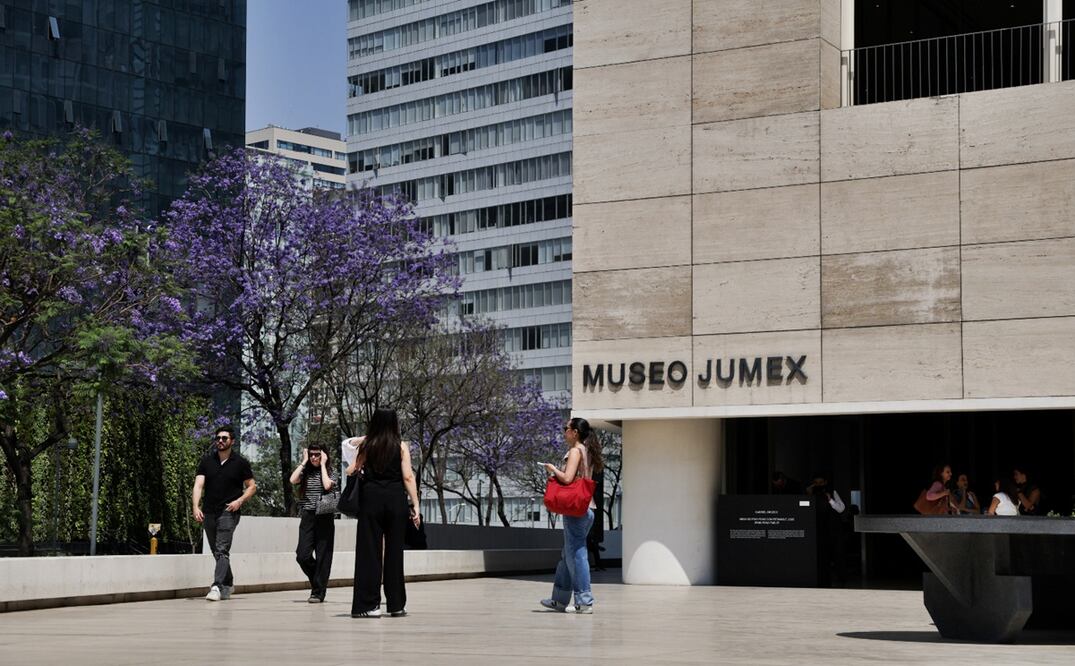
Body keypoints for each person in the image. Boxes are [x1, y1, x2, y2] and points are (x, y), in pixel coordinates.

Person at [345, 408, 421, 618]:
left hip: (371, 501)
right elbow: (408, 477)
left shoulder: (369, 445)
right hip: (396, 501)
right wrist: (415, 505)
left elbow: (350, 470)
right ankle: (396, 604)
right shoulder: (401, 446)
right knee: (395, 552)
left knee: (369, 552)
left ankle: (368, 605)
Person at [540, 416, 604, 614]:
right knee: (567, 555)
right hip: (586, 509)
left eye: (566, 428)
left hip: (576, 511)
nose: (564, 431)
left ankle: (584, 601)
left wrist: (552, 469)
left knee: (577, 556)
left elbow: (568, 478)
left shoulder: (575, 451)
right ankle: (559, 600)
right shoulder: (587, 451)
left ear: (575, 432)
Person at [191, 426, 256, 602]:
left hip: (229, 511)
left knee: (221, 549)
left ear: (232, 441)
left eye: (224, 438)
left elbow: (252, 486)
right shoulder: (207, 461)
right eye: (218, 438)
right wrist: (195, 507)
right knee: (216, 551)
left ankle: (217, 586)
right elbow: (198, 485)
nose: (220, 441)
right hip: (209, 511)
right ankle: (228, 582)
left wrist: (239, 501)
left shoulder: (240, 463)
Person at [289, 442, 337, 603]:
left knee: (323, 555)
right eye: (311, 455)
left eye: (317, 454)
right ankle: (318, 581)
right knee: (302, 555)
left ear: (324, 455)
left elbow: (327, 485)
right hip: (308, 516)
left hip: (325, 516)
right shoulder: (306, 472)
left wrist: (323, 464)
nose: (314, 457)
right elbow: (292, 479)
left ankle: (318, 592)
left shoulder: (331, 471)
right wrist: (303, 461)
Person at [806, 473, 846, 586]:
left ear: (825, 482)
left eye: (821, 482)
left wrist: (830, 499)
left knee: (838, 553)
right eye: (816, 483)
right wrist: (808, 495)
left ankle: (841, 579)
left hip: (833, 529)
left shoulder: (832, 492)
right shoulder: (811, 493)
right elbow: (805, 511)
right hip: (819, 530)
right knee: (821, 556)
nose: (818, 485)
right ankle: (822, 580)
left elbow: (841, 509)